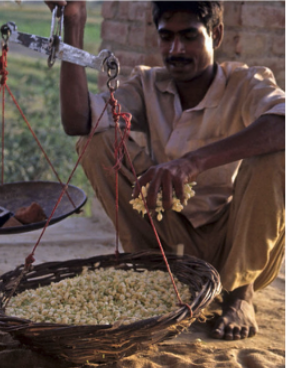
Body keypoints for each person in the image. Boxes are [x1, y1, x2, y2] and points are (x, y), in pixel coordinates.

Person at [46, 0, 285, 340]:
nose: (176, 49)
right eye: (166, 37)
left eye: (189, 36)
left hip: (235, 242)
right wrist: (74, 22)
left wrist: (192, 161)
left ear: (215, 35)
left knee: (277, 154)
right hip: (166, 236)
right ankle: (153, 271)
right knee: (95, 140)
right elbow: (78, 121)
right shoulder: (147, 84)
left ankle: (241, 294)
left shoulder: (247, 82)